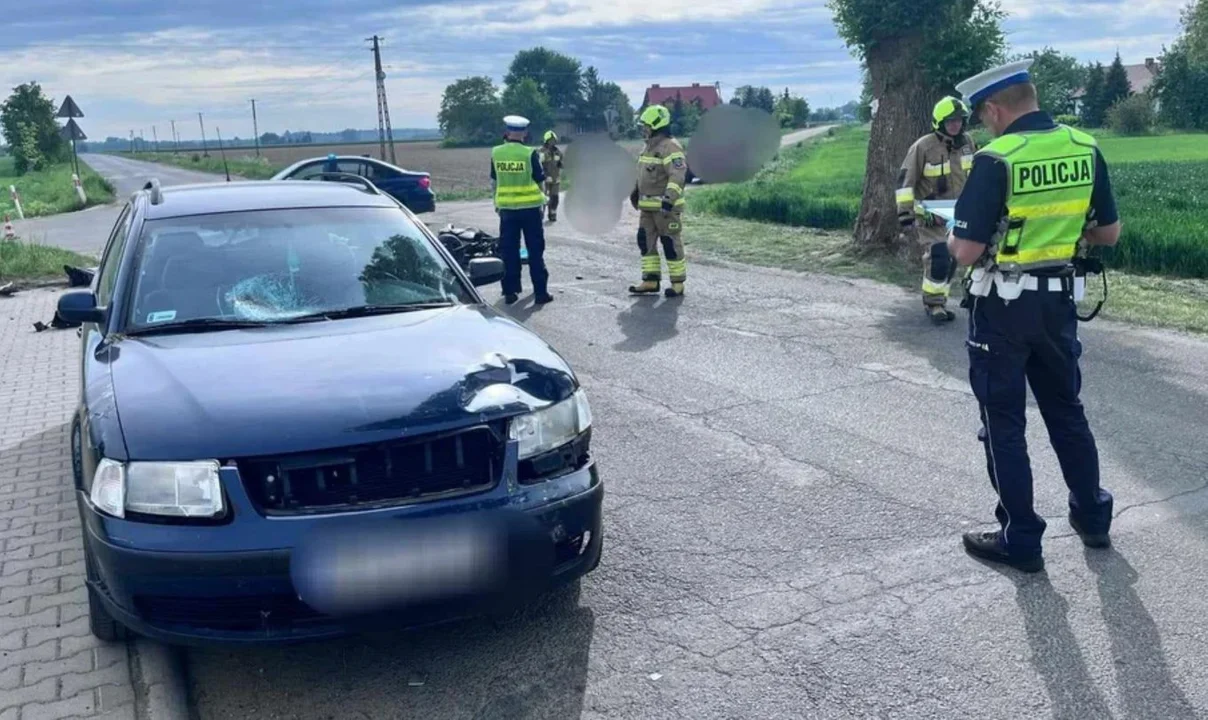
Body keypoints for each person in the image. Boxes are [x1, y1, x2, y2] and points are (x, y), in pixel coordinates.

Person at [947, 59, 1121, 573]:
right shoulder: (1085, 148)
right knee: (1066, 412)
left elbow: (965, 250)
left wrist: (956, 237)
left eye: (984, 116)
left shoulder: (996, 158)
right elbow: (1107, 233)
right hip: (1058, 302)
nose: (984, 125)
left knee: (1003, 424)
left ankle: (1020, 539)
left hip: (1002, 306)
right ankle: (1092, 518)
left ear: (996, 109)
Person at [896, 97, 977, 324]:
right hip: (932, 215)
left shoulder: (968, 143)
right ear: (939, 122)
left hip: (961, 213)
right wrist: (905, 215)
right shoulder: (923, 147)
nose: (955, 125)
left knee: (958, 258)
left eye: (959, 120)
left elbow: (977, 175)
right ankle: (934, 304)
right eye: (950, 121)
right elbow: (905, 182)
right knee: (939, 256)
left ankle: (953, 297)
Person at [490, 115, 552, 305]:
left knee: (509, 250)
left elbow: (494, 182)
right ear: (524, 133)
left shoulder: (496, 152)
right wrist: (543, 204)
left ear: (507, 132)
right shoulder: (529, 153)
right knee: (535, 250)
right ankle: (540, 292)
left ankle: (509, 291)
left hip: (507, 210)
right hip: (531, 209)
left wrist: (497, 204)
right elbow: (540, 182)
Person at [628, 105, 688, 298]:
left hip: (665, 209)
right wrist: (635, 192)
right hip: (647, 209)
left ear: (656, 125)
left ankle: (677, 284)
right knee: (645, 242)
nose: (643, 129)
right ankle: (650, 280)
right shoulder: (647, 147)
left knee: (670, 243)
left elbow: (678, 175)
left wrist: (669, 199)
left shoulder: (671, 147)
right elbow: (642, 174)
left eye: (646, 126)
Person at [540, 131, 563, 223]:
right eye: (551, 140)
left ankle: (552, 214)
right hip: (544, 180)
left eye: (554, 140)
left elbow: (560, 163)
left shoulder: (557, 152)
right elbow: (539, 166)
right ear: (547, 141)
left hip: (555, 179)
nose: (553, 142)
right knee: (543, 198)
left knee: (555, 197)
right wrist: (545, 175)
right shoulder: (542, 152)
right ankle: (540, 215)